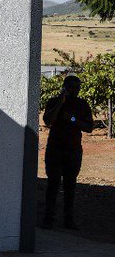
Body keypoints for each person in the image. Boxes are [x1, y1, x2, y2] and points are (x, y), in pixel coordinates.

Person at [42, 74, 93, 230]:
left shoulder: (82, 105)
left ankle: (68, 220)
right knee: (53, 184)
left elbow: (89, 128)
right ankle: (48, 219)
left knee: (70, 186)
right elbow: (48, 120)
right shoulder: (53, 102)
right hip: (55, 150)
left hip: (73, 151)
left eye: (77, 88)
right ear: (64, 87)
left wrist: (72, 119)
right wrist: (60, 102)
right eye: (71, 88)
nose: (75, 91)